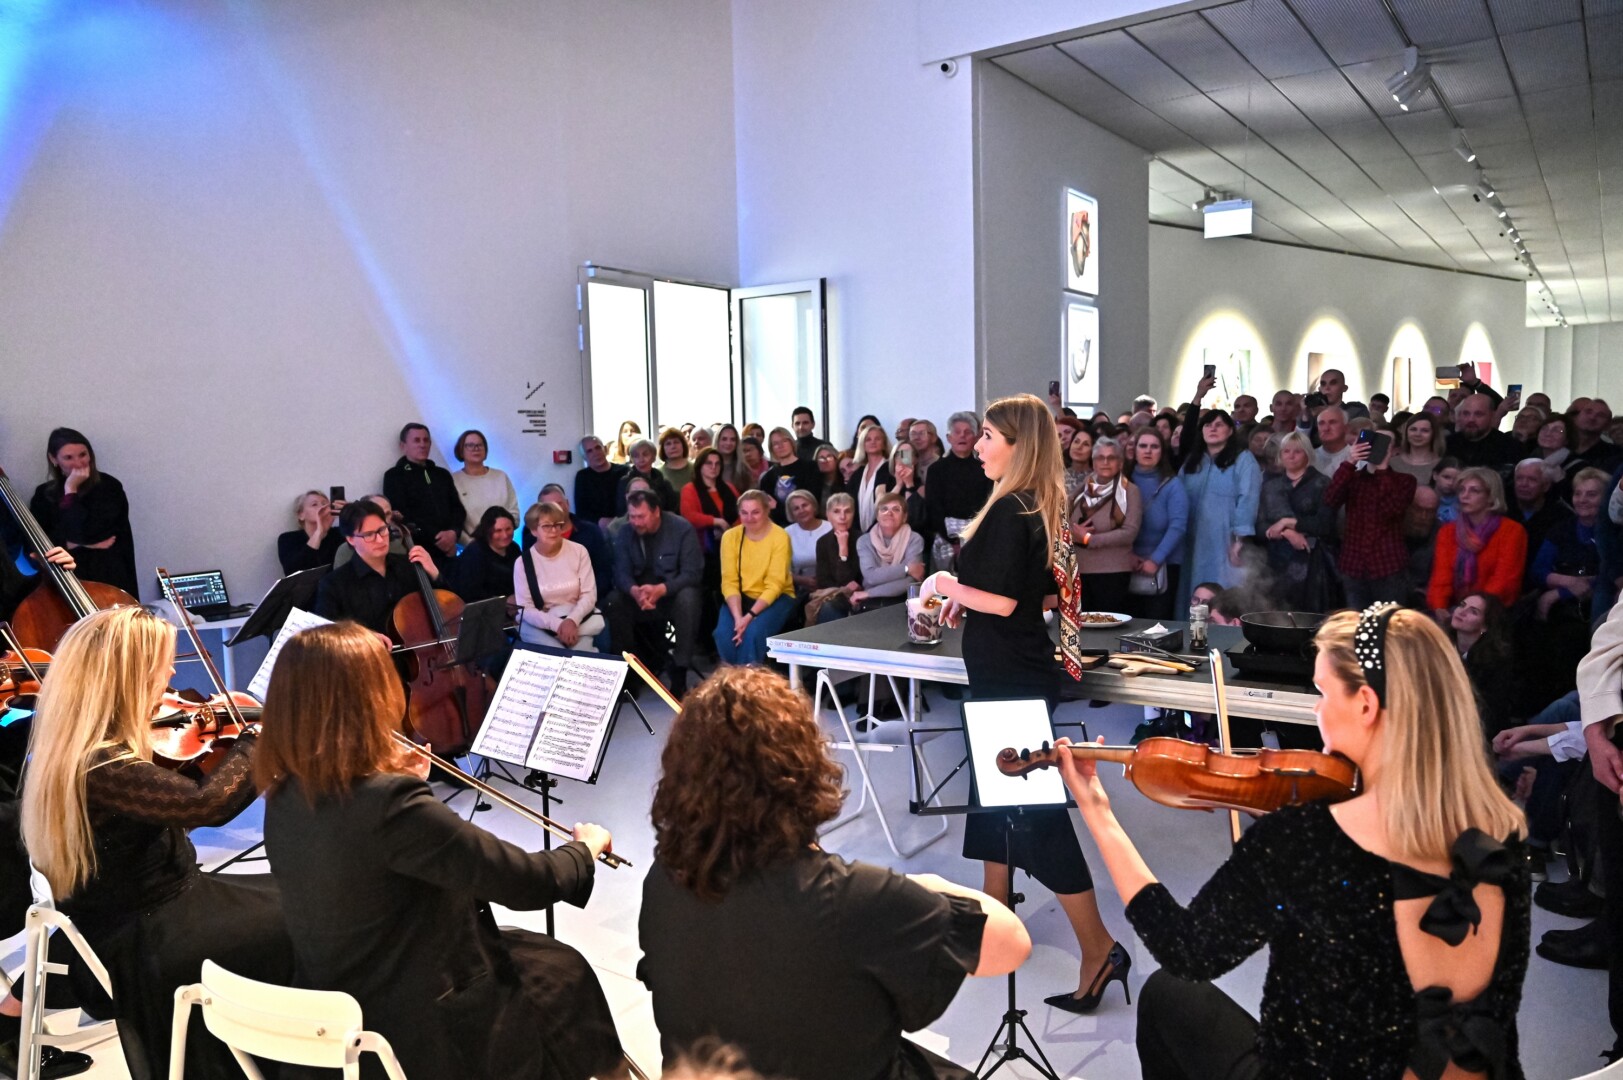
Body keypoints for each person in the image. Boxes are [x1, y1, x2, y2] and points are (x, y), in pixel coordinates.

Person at [1057, 603, 1529, 1079]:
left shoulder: (1306, 842)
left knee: (1167, 992)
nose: (1317, 710)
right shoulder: (1500, 836)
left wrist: (1098, 810)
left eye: (1322, 693)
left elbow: (1186, 950)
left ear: (1366, 705)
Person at [257, 622, 626, 1080]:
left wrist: (401, 782)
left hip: (337, 1001)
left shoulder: (285, 794)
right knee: (566, 974)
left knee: (547, 961)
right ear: (370, 697)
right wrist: (583, 849)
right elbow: (526, 882)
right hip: (412, 1024)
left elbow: (375, 862)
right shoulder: (391, 804)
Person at [638, 666, 1030, 1080]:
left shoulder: (663, 880)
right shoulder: (852, 898)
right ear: (802, 770)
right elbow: (1013, 943)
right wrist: (924, 884)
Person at [20, 608, 292, 1080]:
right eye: (162, 666)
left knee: (304, 895)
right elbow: (206, 805)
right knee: (313, 918)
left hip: (165, 906)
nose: (171, 676)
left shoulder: (81, 746)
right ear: (128, 677)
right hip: (148, 934)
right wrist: (256, 739)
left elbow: (157, 812)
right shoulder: (101, 764)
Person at [922, 393, 1128, 1015]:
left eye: (988, 435)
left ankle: (1099, 949)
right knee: (993, 802)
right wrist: (966, 598)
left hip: (1010, 678)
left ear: (1018, 445)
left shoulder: (1012, 509)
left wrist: (945, 584)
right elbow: (1020, 593)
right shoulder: (1027, 503)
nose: (978, 445)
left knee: (1035, 817)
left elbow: (1007, 602)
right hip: (1006, 672)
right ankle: (993, 920)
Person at [606, 490, 704, 698]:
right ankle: (629, 672)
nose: (636, 522)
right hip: (639, 597)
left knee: (689, 598)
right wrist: (634, 591)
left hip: (671, 595)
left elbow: (692, 573)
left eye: (641, 516)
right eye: (632, 516)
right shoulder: (625, 533)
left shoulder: (681, 529)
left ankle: (680, 672)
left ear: (656, 511)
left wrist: (662, 589)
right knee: (614, 601)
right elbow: (621, 573)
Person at [1176, 377, 1262, 608]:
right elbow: (1178, 498)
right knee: (1191, 591)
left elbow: (1248, 499)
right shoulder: (1192, 462)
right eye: (1208, 425)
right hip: (1192, 537)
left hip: (1225, 539)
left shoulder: (1243, 460)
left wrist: (1240, 539)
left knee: (1222, 592)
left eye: (1219, 425)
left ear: (1231, 431)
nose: (1212, 428)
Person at [28, 427, 138, 597]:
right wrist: (70, 490)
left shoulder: (109, 487)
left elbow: (91, 533)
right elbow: (42, 544)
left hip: (109, 575)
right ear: (54, 459)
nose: (79, 463)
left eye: (83, 455)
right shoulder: (43, 495)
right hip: (67, 579)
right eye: (68, 457)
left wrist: (72, 543)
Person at [315, 499, 445, 638]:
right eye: (369, 535)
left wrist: (434, 573)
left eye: (382, 530)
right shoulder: (333, 584)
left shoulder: (409, 565)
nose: (380, 540)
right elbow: (327, 635)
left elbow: (449, 608)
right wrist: (365, 638)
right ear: (351, 539)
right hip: (369, 651)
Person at [1324, 432, 1417, 609]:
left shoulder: (1405, 481)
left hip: (1388, 565)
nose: (1378, 447)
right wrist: (1350, 460)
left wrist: (1382, 470)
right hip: (1353, 564)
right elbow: (1330, 499)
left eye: (1385, 443)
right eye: (1374, 441)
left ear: (1395, 450)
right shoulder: (1353, 477)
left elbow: (1391, 509)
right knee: (1356, 621)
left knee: (1389, 622)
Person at [1428, 467, 1527, 614]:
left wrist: (1471, 610)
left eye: (1474, 491)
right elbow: (1441, 578)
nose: (1464, 496)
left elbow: (1504, 581)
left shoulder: (1512, 531)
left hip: (1494, 611)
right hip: (1456, 609)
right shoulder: (1447, 532)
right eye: (1462, 490)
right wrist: (1440, 609)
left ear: (1491, 496)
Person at [714, 490, 794, 666]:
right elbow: (729, 581)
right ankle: (734, 677)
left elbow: (775, 584)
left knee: (753, 634)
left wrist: (748, 617)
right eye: (744, 513)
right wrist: (738, 618)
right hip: (741, 598)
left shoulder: (780, 537)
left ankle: (745, 679)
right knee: (723, 634)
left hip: (775, 597)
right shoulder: (730, 537)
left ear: (767, 511)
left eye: (755, 512)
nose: (749, 518)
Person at [1257, 432, 1334, 610]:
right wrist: (1287, 532)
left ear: (1308, 454)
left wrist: (1287, 522)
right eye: (1286, 451)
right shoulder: (1270, 486)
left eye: (1297, 451)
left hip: (1312, 561)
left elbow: (1325, 525)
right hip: (1276, 562)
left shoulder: (1322, 483)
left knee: (1309, 614)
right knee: (1276, 614)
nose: (1291, 456)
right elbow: (1260, 526)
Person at [1071, 437, 1142, 614]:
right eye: (1100, 457)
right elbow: (1062, 518)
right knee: (1082, 624)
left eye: (1111, 458)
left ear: (1120, 463)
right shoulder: (1083, 487)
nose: (1105, 462)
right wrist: (1072, 532)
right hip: (1079, 569)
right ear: (1093, 462)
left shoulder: (1130, 491)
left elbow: (1129, 532)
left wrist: (1089, 539)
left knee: (1108, 623)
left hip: (1113, 572)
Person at [383, 423, 465, 573]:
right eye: (416, 440)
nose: (422, 444)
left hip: (451, 548)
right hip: (418, 551)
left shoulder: (442, 474)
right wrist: (438, 539)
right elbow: (401, 515)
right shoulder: (394, 476)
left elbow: (458, 509)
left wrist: (453, 533)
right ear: (403, 446)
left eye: (426, 440)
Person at [1126, 427, 1189, 620]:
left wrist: (1155, 559)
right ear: (1134, 450)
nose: (1148, 451)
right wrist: (1128, 555)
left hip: (1165, 564)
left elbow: (1178, 526)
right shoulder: (1122, 481)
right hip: (1128, 562)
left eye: (1154, 447)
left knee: (1157, 625)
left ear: (1162, 452)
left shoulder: (1173, 485)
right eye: (1143, 446)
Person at [925, 411, 994, 573]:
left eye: (968, 432)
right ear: (949, 438)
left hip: (977, 536)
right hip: (945, 538)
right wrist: (954, 542)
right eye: (957, 432)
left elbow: (988, 505)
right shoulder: (936, 470)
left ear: (976, 438)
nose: (962, 436)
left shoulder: (985, 469)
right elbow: (933, 508)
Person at [1447, 591, 1516, 738]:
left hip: (1475, 732)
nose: (1462, 612)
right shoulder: (1439, 644)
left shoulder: (1495, 661)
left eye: (1473, 612)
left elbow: (1489, 712)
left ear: (1485, 626)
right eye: (1462, 605)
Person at [853, 492, 924, 612]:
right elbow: (871, 577)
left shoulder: (914, 539)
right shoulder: (864, 541)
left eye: (896, 509)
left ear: (904, 517)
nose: (889, 513)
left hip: (904, 600)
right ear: (877, 516)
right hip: (872, 604)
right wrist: (906, 569)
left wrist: (869, 593)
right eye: (884, 509)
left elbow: (911, 581)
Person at [450, 429, 519, 544]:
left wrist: (503, 534)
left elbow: (514, 514)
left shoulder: (501, 476)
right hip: (472, 547)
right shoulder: (453, 480)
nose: (476, 448)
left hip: (504, 544)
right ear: (461, 451)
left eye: (479, 445)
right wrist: (471, 544)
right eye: (470, 445)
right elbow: (453, 521)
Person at [1511, 458, 1571, 579]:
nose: (1524, 484)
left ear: (1546, 486)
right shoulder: (1502, 511)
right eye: (1519, 478)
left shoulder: (1562, 517)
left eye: (1532, 479)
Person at [807, 493, 862, 624]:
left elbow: (858, 581)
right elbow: (823, 581)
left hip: (861, 595)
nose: (842, 517)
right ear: (828, 515)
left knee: (830, 608)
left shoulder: (863, 539)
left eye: (847, 511)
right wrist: (843, 552)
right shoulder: (823, 542)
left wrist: (843, 549)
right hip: (833, 595)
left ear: (853, 514)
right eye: (836, 511)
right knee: (829, 607)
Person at [453, 505, 519, 603]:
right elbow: (469, 593)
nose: (505, 535)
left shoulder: (514, 548)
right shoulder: (475, 553)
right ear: (487, 531)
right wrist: (504, 601)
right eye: (498, 531)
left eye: (508, 529)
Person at [758, 427, 819, 526]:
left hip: (808, 525)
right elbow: (768, 509)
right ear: (771, 448)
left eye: (784, 441)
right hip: (780, 528)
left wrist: (777, 507)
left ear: (791, 442)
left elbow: (814, 501)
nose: (781, 446)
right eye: (776, 443)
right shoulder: (768, 477)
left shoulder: (811, 468)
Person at [1447, 394, 1522, 473]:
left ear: (1492, 416)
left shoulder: (1510, 447)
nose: (1471, 419)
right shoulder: (1447, 444)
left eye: (1478, 414)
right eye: (1466, 414)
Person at [277, 489, 344, 574]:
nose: (322, 507)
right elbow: (292, 572)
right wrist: (319, 532)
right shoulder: (288, 539)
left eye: (324, 504)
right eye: (314, 504)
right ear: (301, 515)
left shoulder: (339, 534)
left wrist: (349, 512)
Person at [846, 422, 895, 532]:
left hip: (885, 529)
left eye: (877, 439)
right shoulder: (858, 473)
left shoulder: (891, 469)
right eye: (868, 439)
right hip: (859, 532)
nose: (873, 442)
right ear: (862, 444)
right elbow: (850, 502)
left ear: (884, 444)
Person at [574, 434, 628, 528]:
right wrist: (600, 521)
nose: (596, 453)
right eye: (589, 451)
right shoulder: (582, 477)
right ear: (584, 457)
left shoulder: (624, 471)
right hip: (597, 528)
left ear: (605, 449)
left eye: (598, 448)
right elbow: (581, 512)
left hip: (624, 525)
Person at [783, 489, 830, 596]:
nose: (801, 510)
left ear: (814, 506)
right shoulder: (786, 533)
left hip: (831, 587)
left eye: (805, 505)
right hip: (799, 590)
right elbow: (781, 571)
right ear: (791, 514)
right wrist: (802, 580)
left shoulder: (830, 527)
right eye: (796, 508)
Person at [615, 438, 677, 514]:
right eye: (636, 456)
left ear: (653, 457)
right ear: (632, 460)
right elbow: (622, 511)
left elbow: (672, 511)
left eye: (645, 454)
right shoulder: (625, 482)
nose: (641, 460)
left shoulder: (664, 483)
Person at [1391, 413, 1444, 487]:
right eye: (1413, 429)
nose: (1418, 434)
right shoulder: (1392, 463)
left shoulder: (1441, 465)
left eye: (1425, 430)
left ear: (1434, 434)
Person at [1312, 406, 1351, 476]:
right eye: (1321, 423)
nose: (1326, 428)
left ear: (1346, 427)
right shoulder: (1309, 457)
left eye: (1332, 422)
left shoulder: (1358, 457)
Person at [658, 427, 696, 494]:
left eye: (676, 442)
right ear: (663, 449)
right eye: (668, 444)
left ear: (683, 445)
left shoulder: (697, 469)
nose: (673, 446)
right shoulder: (657, 474)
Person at [1063, 425, 1095, 504]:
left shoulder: (1095, 478)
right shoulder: (1057, 475)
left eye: (1086, 444)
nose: (1079, 447)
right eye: (1076, 442)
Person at [811, 442, 844, 509]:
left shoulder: (845, 481)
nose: (825, 461)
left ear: (836, 459)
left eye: (829, 457)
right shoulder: (813, 484)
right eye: (821, 458)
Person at [713, 424, 744, 492]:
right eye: (724, 439)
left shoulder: (744, 468)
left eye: (733, 439)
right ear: (717, 441)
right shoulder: (706, 466)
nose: (728, 443)